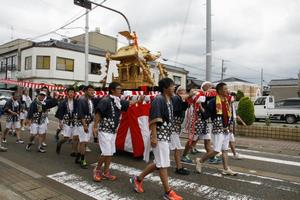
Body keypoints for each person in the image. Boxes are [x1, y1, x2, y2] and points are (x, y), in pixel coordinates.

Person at [130, 78, 183, 200]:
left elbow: (182, 100)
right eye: (172, 86)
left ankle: (138, 179)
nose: (174, 88)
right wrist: (154, 137)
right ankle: (168, 192)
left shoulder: (169, 99)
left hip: (165, 135)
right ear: (165, 88)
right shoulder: (159, 100)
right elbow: (154, 119)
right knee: (163, 164)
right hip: (159, 135)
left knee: (159, 163)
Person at [195, 82, 238, 176]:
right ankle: (200, 160)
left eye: (227, 89)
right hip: (218, 129)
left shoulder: (227, 101)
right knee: (216, 150)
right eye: (225, 89)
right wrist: (200, 105)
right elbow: (206, 115)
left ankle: (226, 169)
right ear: (220, 91)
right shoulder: (213, 102)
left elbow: (229, 115)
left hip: (226, 129)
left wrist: (230, 125)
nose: (227, 91)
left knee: (225, 150)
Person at [92, 82, 131, 181]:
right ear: (112, 90)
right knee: (105, 152)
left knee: (110, 152)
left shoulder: (118, 101)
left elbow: (129, 104)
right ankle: (97, 170)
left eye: (121, 89)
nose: (120, 91)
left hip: (112, 131)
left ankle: (106, 172)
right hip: (104, 130)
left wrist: (140, 99)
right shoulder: (105, 100)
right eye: (118, 89)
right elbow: (98, 113)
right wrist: (95, 126)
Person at [170, 85, 189, 175]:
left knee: (167, 147)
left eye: (184, 91)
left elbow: (184, 107)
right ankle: (179, 167)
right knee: (178, 148)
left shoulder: (182, 101)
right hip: (172, 128)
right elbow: (177, 109)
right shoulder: (175, 98)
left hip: (176, 128)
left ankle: (158, 164)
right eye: (180, 90)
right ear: (177, 92)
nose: (182, 92)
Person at [55, 87, 79, 157]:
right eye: (70, 92)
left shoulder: (77, 102)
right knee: (66, 138)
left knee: (75, 137)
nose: (71, 93)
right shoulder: (63, 103)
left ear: (74, 94)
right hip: (67, 122)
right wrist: (60, 123)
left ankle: (73, 151)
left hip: (75, 121)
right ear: (67, 93)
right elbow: (60, 113)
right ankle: (59, 143)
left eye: (72, 92)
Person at [76, 85, 95, 168]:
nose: (92, 92)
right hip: (83, 123)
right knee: (83, 142)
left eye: (93, 90)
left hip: (89, 122)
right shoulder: (82, 99)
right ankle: (82, 160)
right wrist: (84, 125)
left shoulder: (90, 100)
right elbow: (81, 114)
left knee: (84, 142)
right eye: (90, 90)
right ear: (86, 91)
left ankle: (78, 157)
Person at [229, 92, 247, 159]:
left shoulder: (233, 105)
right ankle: (214, 154)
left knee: (231, 139)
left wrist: (243, 122)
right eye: (233, 97)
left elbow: (236, 115)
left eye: (234, 98)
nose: (234, 99)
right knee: (224, 140)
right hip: (227, 124)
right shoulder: (227, 104)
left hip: (231, 123)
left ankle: (234, 154)